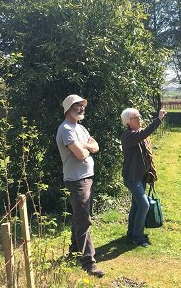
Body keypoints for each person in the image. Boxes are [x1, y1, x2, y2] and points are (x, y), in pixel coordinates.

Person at [56, 94, 105, 277]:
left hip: (87, 177)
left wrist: (87, 146)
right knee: (83, 219)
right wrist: (87, 147)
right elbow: (80, 154)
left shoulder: (81, 128)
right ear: (68, 108)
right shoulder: (66, 129)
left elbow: (96, 146)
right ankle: (88, 262)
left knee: (81, 215)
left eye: (82, 106)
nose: (82, 108)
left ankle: (73, 251)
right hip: (76, 180)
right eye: (78, 106)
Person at [120, 108, 166, 247]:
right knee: (144, 204)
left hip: (140, 177)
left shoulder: (138, 135)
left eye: (139, 116)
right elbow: (145, 132)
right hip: (132, 178)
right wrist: (158, 119)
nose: (140, 119)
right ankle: (138, 238)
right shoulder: (128, 136)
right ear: (129, 122)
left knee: (136, 205)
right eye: (136, 117)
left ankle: (131, 234)